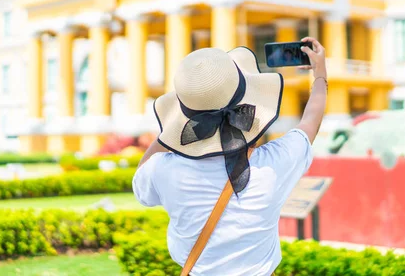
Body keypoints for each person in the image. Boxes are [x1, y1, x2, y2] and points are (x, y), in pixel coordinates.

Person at [133, 37, 328, 275]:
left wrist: (172, 130)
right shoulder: (272, 165)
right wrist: (320, 75)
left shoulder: (163, 170)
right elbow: (311, 122)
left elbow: (141, 180)